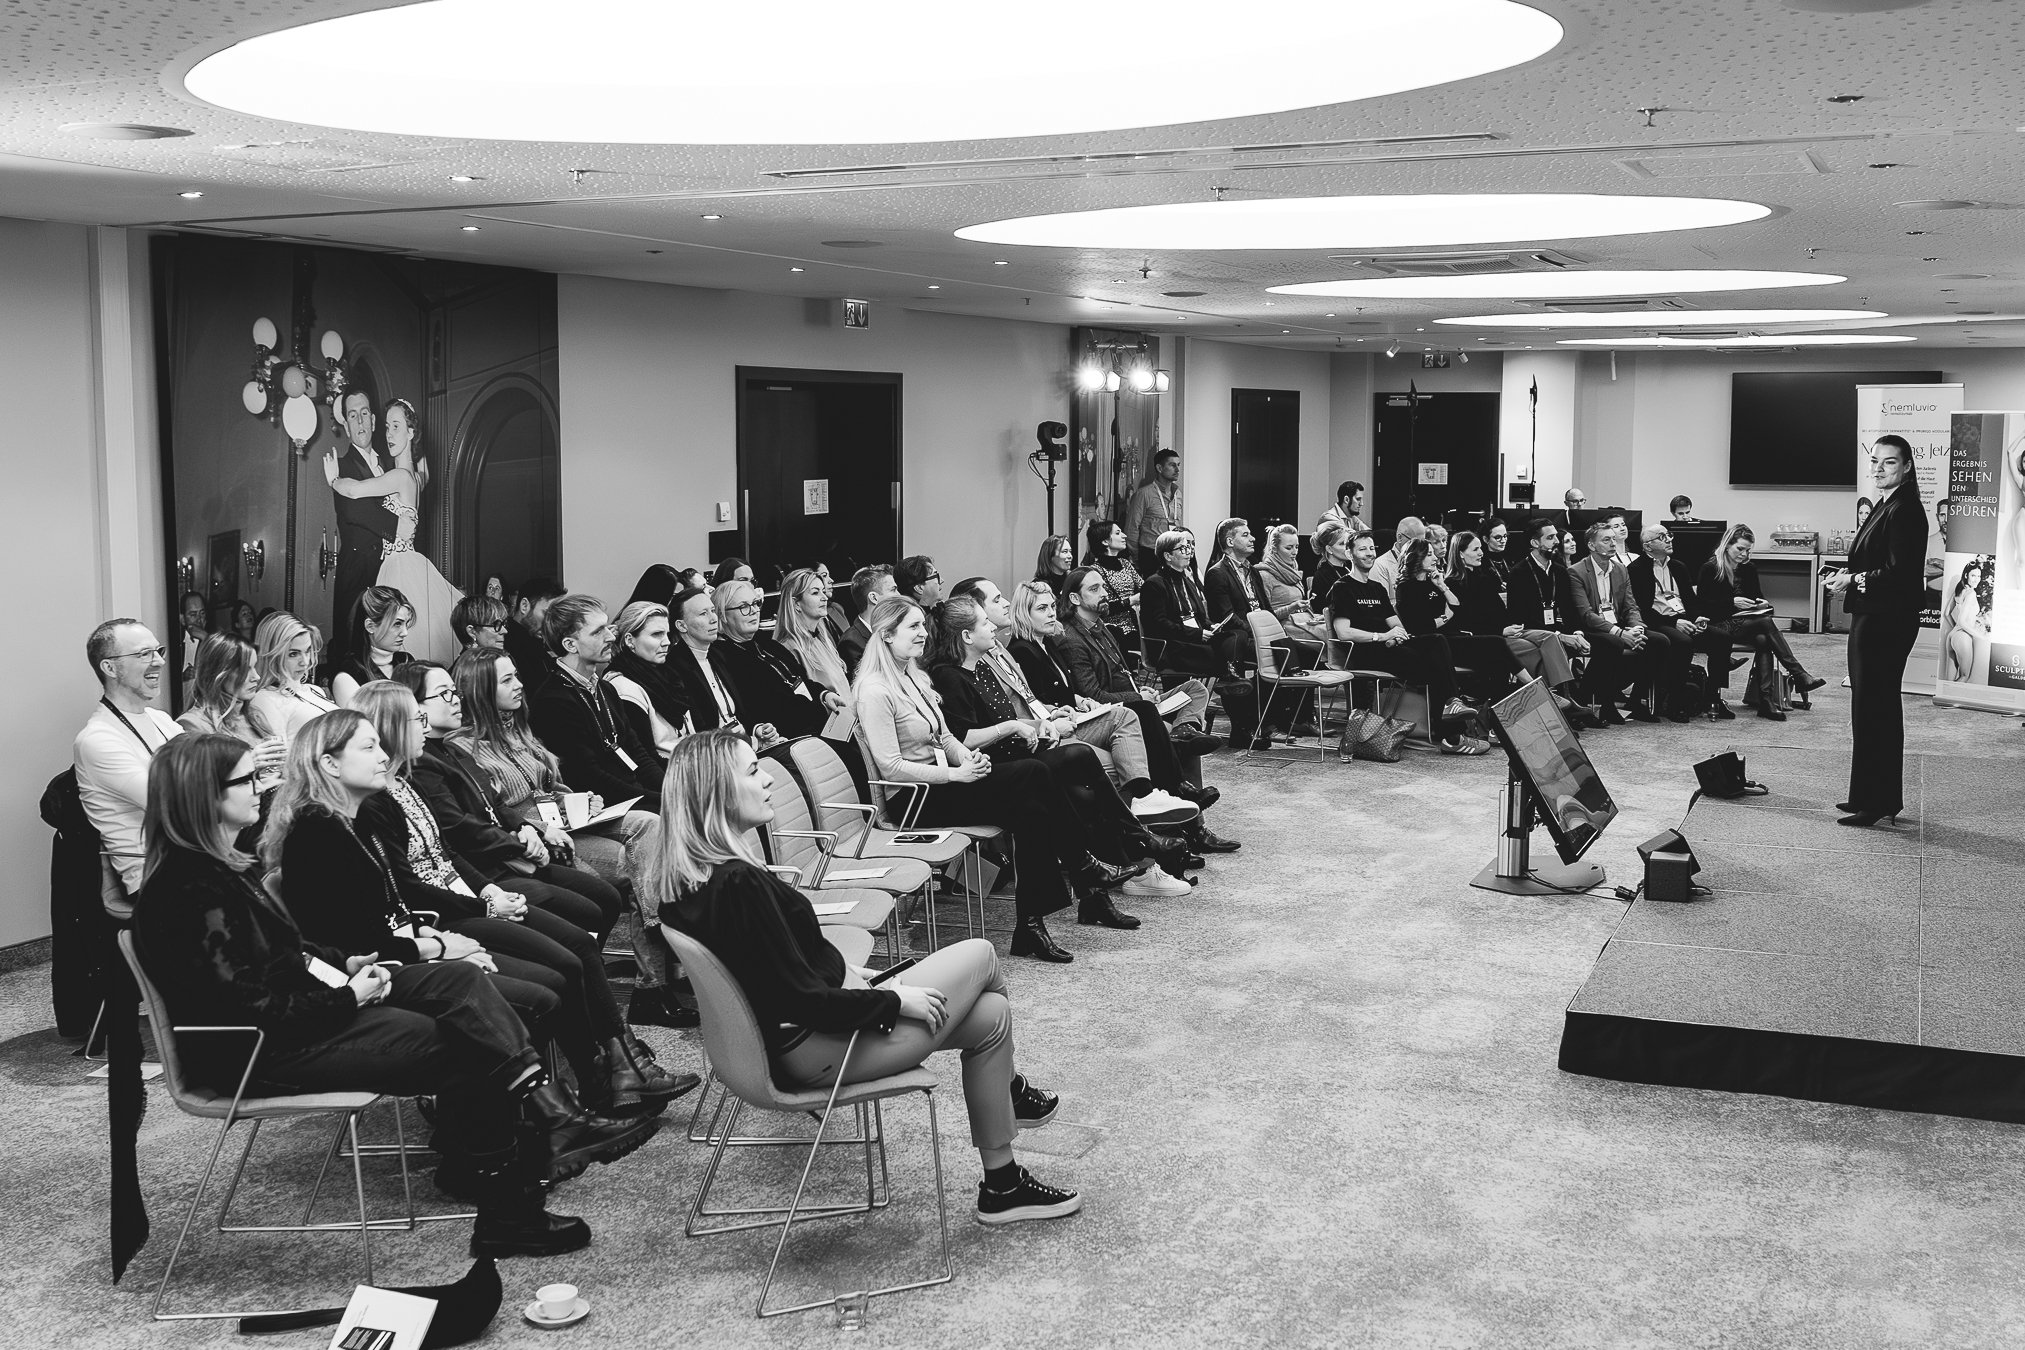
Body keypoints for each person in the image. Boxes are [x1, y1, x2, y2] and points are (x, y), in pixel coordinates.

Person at [129, 732, 607, 1256]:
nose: (261, 788)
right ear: (204, 797)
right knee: (461, 1041)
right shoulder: (190, 889)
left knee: (461, 992)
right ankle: (513, 1190)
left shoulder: (216, 869)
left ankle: (520, 1142)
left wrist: (345, 968)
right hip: (257, 1052)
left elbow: (287, 956)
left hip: (295, 1022)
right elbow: (250, 1007)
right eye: (246, 780)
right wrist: (347, 997)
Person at [648, 730, 1084, 1224]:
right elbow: (802, 999)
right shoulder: (738, 884)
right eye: (752, 771)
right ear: (715, 793)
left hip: (803, 1040)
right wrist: (894, 1002)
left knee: (991, 1015)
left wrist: (864, 977)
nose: (768, 777)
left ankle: (1003, 1186)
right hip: (818, 1048)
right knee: (982, 953)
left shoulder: (695, 881)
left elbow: (783, 971)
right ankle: (1008, 1097)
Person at [260, 710, 661, 1183]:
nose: (383, 755)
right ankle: (512, 1136)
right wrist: (437, 946)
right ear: (329, 765)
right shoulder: (320, 833)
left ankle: (547, 1117)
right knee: (532, 993)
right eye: (367, 747)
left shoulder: (351, 821)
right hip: (371, 970)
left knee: (550, 977)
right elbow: (355, 939)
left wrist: (435, 938)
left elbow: (393, 907)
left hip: (401, 946)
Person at [352, 680, 689, 1117]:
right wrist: (486, 899)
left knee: (583, 931)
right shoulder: (380, 800)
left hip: (472, 891)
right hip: (445, 913)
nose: (423, 725)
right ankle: (602, 1070)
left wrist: (489, 886)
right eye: (415, 718)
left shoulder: (408, 781)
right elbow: (409, 883)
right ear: (390, 729)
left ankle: (618, 1061)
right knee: (566, 958)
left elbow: (448, 850)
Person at [852, 597, 1148, 961]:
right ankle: (1084, 865)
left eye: (921, 625)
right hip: (914, 799)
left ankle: (1031, 927)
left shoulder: (913, 676)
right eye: (912, 627)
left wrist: (968, 759)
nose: (922, 633)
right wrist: (956, 773)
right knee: (1035, 772)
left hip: (946, 781)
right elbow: (891, 766)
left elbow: (946, 737)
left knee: (1033, 811)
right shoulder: (874, 691)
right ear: (885, 636)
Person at [453, 649, 678, 1028]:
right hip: (536, 839)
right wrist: (544, 824)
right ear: (479, 690)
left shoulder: (516, 727)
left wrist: (577, 797)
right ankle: (656, 976)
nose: (520, 684)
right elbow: (494, 813)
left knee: (649, 826)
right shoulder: (464, 748)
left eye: (516, 675)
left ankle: (658, 945)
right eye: (507, 680)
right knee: (640, 865)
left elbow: (546, 784)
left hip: (566, 821)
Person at [926, 596, 1179, 927]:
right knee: (1078, 781)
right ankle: (1122, 851)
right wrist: (1016, 727)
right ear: (966, 637)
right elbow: (962, 737)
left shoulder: (983, 666)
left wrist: (1036, 724)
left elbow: (1009, 720)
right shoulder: (948, 676)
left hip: (1014, 755)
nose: (991, 625)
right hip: (992, 766)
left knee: (1082, 774)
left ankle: (1111, 868)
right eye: (983, 623)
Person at [1003, 579, 1219, 823]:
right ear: (1024, 613)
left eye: (1052, 606)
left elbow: (1063, 688)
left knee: (1192, 696)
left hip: (1080, 712)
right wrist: (1064, 709)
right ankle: (1170, 799)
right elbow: (1033, 701)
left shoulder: (1049, 642)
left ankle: (1183, 741)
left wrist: (1078, 699)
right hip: (1060, 726)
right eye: (1042, 609)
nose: (1052, 613)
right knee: (1142, 715)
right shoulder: (1026, 649)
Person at [1823, 434, 1928, 826]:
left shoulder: (1906, 510)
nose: (1878, 469)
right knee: (1865, 707)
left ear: (1906, 467)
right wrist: (1849, 577)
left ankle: (1879, 801)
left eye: (1888, 462)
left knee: (1877, 708)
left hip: (1888, 620)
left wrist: (1854, 579)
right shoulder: (1886, 505)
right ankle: (1865, 795)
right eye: (1875, 462)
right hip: (1873, 615)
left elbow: (1900, 574)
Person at [324, 397, 467, 667]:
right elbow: (424, 474)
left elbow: (353, 491)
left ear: (411, 432)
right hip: (404, 562)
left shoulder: (400, 476)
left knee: (396, 643)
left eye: (397, 427)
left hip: (396, 565)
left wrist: (333, 478)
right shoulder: (415, 478)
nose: (389, 434)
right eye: (388, 427)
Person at [1326, 533, 1486, 754]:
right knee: (1436, 664)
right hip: (1365, 653)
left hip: (1390, 648)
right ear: (1349, 554)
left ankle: (1452, 713)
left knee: (1436, 642)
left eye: (1372, 548)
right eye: (1362, 549)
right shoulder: (1342, 587)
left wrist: (1397, 635)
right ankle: (1453, 734)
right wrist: (1382, 637)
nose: (1370, 553)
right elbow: (1344, 633)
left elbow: (1397, 624)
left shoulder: (1377, 588)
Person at [1057, 569, 1222, 760]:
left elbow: (1121, 672)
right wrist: (1138, 696)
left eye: (1103, 586)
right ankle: (1182, 739)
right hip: (1115, 709)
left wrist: (1140, 689)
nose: (1104, 593)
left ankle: (1185, 729)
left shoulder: (1100, 625)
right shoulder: (1072, 639)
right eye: (1094, 589)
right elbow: (1093, 695)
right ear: (1075, 598)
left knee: (1196, 689)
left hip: (1135, 698)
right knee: (1184, 740)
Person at [76, 619, 184, 892]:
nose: (158, 661)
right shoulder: (98, 739)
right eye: (143, 654)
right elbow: (175, 807)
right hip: (154, 877)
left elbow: (208, 773)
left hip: (191, 856)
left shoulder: (160, 719)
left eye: (158, 651)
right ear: (110, 668)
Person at [1139, 529, 1264, 750]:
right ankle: (1239, 721)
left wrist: (1209, 627)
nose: (1189, 552)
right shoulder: (1155, 583)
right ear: (1168, 555)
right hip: (1173, 648)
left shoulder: (1187, 580)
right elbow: (1159, 625)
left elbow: (1198, 617)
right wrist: (1198, 633)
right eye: (1183, 548)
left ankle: (1231, 679)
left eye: (1190, 547)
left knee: (1238, 635)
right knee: (1232, 658)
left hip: (1195, 641)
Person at [1696, 524, 1823, 723]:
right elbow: (1703, 607)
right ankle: (1797, 675)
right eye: (1740, 549)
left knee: (1763, 638)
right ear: (1727, 545)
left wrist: (1761, 603)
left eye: (1747, 550)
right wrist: (1731, 603)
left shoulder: (1748, 568)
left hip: (1746, 622)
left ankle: (1767, 700)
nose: (1744, 554)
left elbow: (1757, 597)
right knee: (1764, 624)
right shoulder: (1711, 568)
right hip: (1719, 624)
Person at [1446, 530, 1579, 698]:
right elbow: (1467, 623)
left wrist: (1510, 626)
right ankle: (1548, 696)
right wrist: (1501, 631)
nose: (1481, 553)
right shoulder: (1454, 584)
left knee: (1550, 637)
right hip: (1492, 636)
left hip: (1508, 630)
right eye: (1475, 549)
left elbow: (1500, 612)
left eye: (1480, 548)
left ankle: (1558, 696)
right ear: (1460, 554)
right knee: (1536, 650)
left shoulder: (1484, 578)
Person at [327, 391, 404, 664]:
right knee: (356, 656)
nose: (359, 421)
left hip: (390, 573)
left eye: (363, 413)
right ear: (346, 427)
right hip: (359, 575)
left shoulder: (389, 465)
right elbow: (356, 510)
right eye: (352, 415)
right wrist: (404, 524)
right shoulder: (341, 466)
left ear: (372, 420)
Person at [715, 577, 840, 743]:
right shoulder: (723, 658)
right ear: (722, 615)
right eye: (743, 606)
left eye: (756, 603)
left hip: (817, 727)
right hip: (786, 739)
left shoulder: (765, 642)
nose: (753, 611)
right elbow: (754, 709)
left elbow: (800, 679)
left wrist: (823, 694)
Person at [1393, 539, 1523, 696]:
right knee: (1497, 643)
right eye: (1429, 554)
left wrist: (1442, 586)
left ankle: (1497, 706)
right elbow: (1421, 626)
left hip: (1452, 637)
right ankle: (1533, 688)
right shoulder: (1406, 588)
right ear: (1415, 558)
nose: (1435, 558)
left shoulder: (1433, 583)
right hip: (1435, 645)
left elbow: (1456, 606)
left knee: (1498, 661)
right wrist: (1446, 617)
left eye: (1433, 554)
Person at [1567, 522, 1659, 722]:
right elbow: (1586, 614)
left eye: (1613, 539)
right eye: (1606, 539)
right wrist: (1619, 633)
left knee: (1658, 641)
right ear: (1592, 546)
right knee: (1613, 643)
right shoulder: (1577, 572)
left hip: (1618, 625)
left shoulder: (1620, 569)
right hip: (1591, 628)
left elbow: (1631, 606)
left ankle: (1635, 701)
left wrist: (1636, 628)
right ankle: (1606, 704)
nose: (1613, 543)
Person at [177, 633, 288, 797]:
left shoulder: (254, 715)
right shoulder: (193, 724)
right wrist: (249, 762)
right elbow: (198, 791)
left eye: (254, 667)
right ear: (219, 674)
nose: (256, 677)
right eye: (245, 670)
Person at [1628, 523, 1715, 722]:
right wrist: (1676, 623)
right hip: (1656, 621)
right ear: (1648, 546)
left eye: (1669, 535)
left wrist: (1697, 618)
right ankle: (1675, 703)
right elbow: (1641, 609)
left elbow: (1691, 601)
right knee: (1683, 642)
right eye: (1662, 537)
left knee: (1721, 637)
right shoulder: (1637, 569)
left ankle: (1713, 699)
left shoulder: (1678, 566)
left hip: (1682, 619)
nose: (1669, 539)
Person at [604, 600, 690, 768]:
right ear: (630, 640)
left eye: (667, 634)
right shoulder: (622, 686)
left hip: (690, 761)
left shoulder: (667, 673)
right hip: (670, 773)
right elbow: (644, 757)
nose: (666, 642)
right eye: (656, 634)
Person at [249, 611, 343, 743]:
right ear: (272, 654)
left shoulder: (314, 690)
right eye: (293, 654)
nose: (304, 661)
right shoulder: (265, 699)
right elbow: (278, 758)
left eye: (308, 651)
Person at [330, 585, 415, 708]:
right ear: (370, 626)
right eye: (397, 624)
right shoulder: (349, 675)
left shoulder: (406, 661)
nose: (405, 632)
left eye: (406, 624)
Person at [505, 576, 566, 698]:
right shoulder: (509, 646)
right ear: (524, 606)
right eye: (547, 613)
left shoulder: (536, 643)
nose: (552, 621)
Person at [1125, 449, 1183, 574]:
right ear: (1159, 468)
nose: (1177, 470)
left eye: (1178, 465)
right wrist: (1137, 560)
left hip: (1173, 554)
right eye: (1172, 465)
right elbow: (1131, 529)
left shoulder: (1178, 494)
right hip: (1151, 554)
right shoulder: (1144, 494)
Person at [838, 565, 897, 676]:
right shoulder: (851, 643)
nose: (899, 595)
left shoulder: (894, 630)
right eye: (893, 590)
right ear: (873, 598)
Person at [1081, 519, 1143, 622]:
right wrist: (1131, 600)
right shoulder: (1094, 571)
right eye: (1118, 533)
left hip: (1135, 622)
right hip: (1111, 627)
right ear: (1105, 541)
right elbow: (1098, 605)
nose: (1124, 536)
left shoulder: (1125, 563)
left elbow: (1143, 587)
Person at [1943, 558, 1991, 682]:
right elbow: (1963, 621)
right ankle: (1953, 701)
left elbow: (1946, 613)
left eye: (1979, 576)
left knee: (1948, 681)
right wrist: (1981, 636)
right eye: (1973, 575)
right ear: (1966, 575)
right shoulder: (1971, 594)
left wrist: (1955, 628)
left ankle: (1947, 700)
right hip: (1963, 637)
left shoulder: (1959, 590)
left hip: (1952, 636)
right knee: (1964, 676)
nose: (1976, 579)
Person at [1367, 518, 1424, 605]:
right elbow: (1380, 605)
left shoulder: (1426, 561)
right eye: (1415, 542)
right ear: (1399, 537)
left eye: (1423, 542)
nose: (1420, 547)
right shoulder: (1380, 565)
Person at [175, 591, 208, 708]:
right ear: (182, 619)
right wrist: (181, 677)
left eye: (202, 613)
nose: (199, 619)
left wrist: (206, 639)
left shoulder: (214, 641)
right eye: (193, 615)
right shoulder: (175, 643)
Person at [1311, 521, 1354, 599]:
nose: (1348, 547)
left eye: (1348, 543)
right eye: (1342, 544)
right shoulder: (1322, 576)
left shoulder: (1350, 569)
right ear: (1329, 549)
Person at [1032, 536, 1075, 605]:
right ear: (1050, 555)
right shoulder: (1039, 587)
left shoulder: (1073, 579)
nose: (1070, 556)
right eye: (1065, 552)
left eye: (1070, 551)